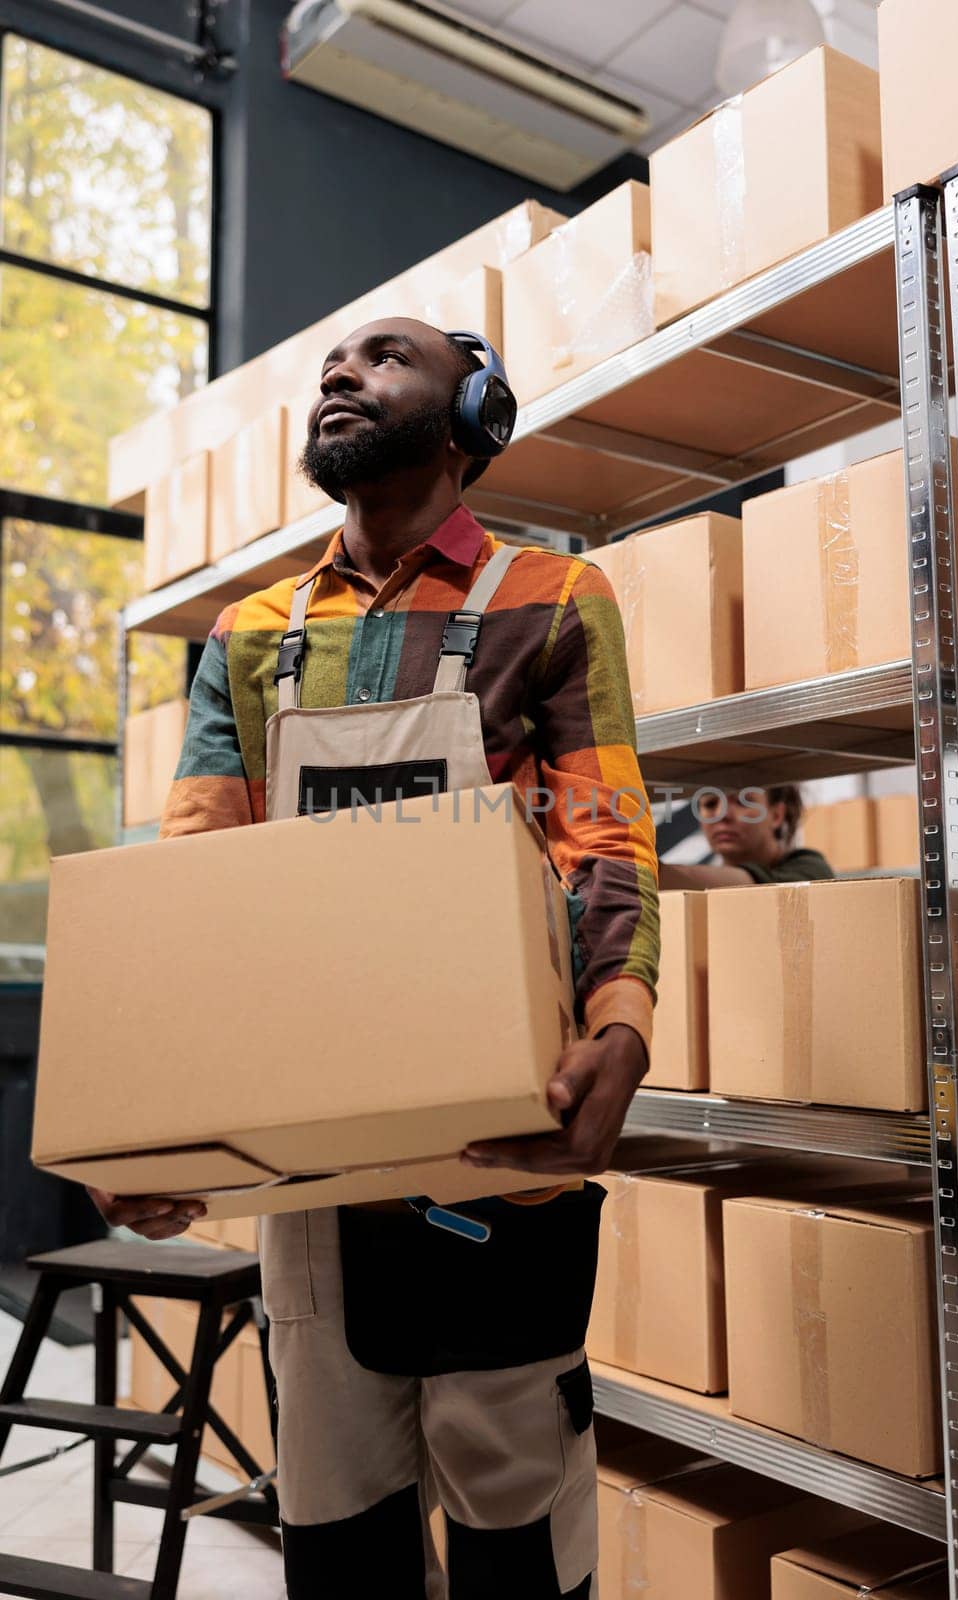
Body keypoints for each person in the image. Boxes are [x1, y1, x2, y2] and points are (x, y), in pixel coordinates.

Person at [88, 320, 659, 1599]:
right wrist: (147, 1122)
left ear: (476, 415)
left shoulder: (553, 598)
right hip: (312, 1173)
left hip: (501, 1144)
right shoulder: (249, 635)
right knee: (338, 1528)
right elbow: (197, 888)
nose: (340, 374)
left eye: (384, 358)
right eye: (331, 363)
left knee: (515, 1525)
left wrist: (618, 1027)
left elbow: (604, 835)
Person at [659, 783, 833, 890]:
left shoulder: (810, 869)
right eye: (710, 804)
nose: (721, 814)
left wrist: (646, 872)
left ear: (776, 815)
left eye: (743, 801)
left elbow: (752, 888)